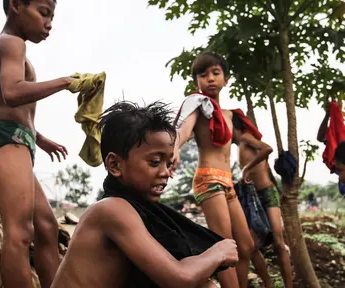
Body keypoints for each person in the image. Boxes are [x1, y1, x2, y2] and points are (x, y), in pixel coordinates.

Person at [51, 101, 239, 288]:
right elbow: (179, 277)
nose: (165, 172)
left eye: (168, 163)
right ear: (115, 165)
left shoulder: (138, 211)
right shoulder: (112, 209)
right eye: (155, 162)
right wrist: (218, 252)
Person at [0, 1, 76, 287]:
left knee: (47, 226)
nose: (49, 23)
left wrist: (40, 139)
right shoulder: (11, 43)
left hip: (16, 139)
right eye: (43, 13)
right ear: (17, 5)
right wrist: (65, 82)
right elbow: (11, 92)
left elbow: (8, 106)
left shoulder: (11, 46)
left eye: (52, 16)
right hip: (6, 141)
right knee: (20, 233)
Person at [173, 52, 255, 288]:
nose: (209, 79)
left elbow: (250, 143)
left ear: (226, 79)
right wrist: (175, 146)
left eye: (216, 73)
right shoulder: (199, 106)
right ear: (196, 81)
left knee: (246, 245)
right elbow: (184, 129)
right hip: (208, 179)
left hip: (228, 181)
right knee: (225, 246)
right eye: (203, 74)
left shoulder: (228, 116)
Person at [232, 112, 293, 288]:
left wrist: (246, 169)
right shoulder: (239, 146)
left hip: (267, 193)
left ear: (233, 127)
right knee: (250, 246)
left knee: (279, 244)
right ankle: (268, 283)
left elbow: (267, 148)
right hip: (252, 197)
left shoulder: (245, 138)